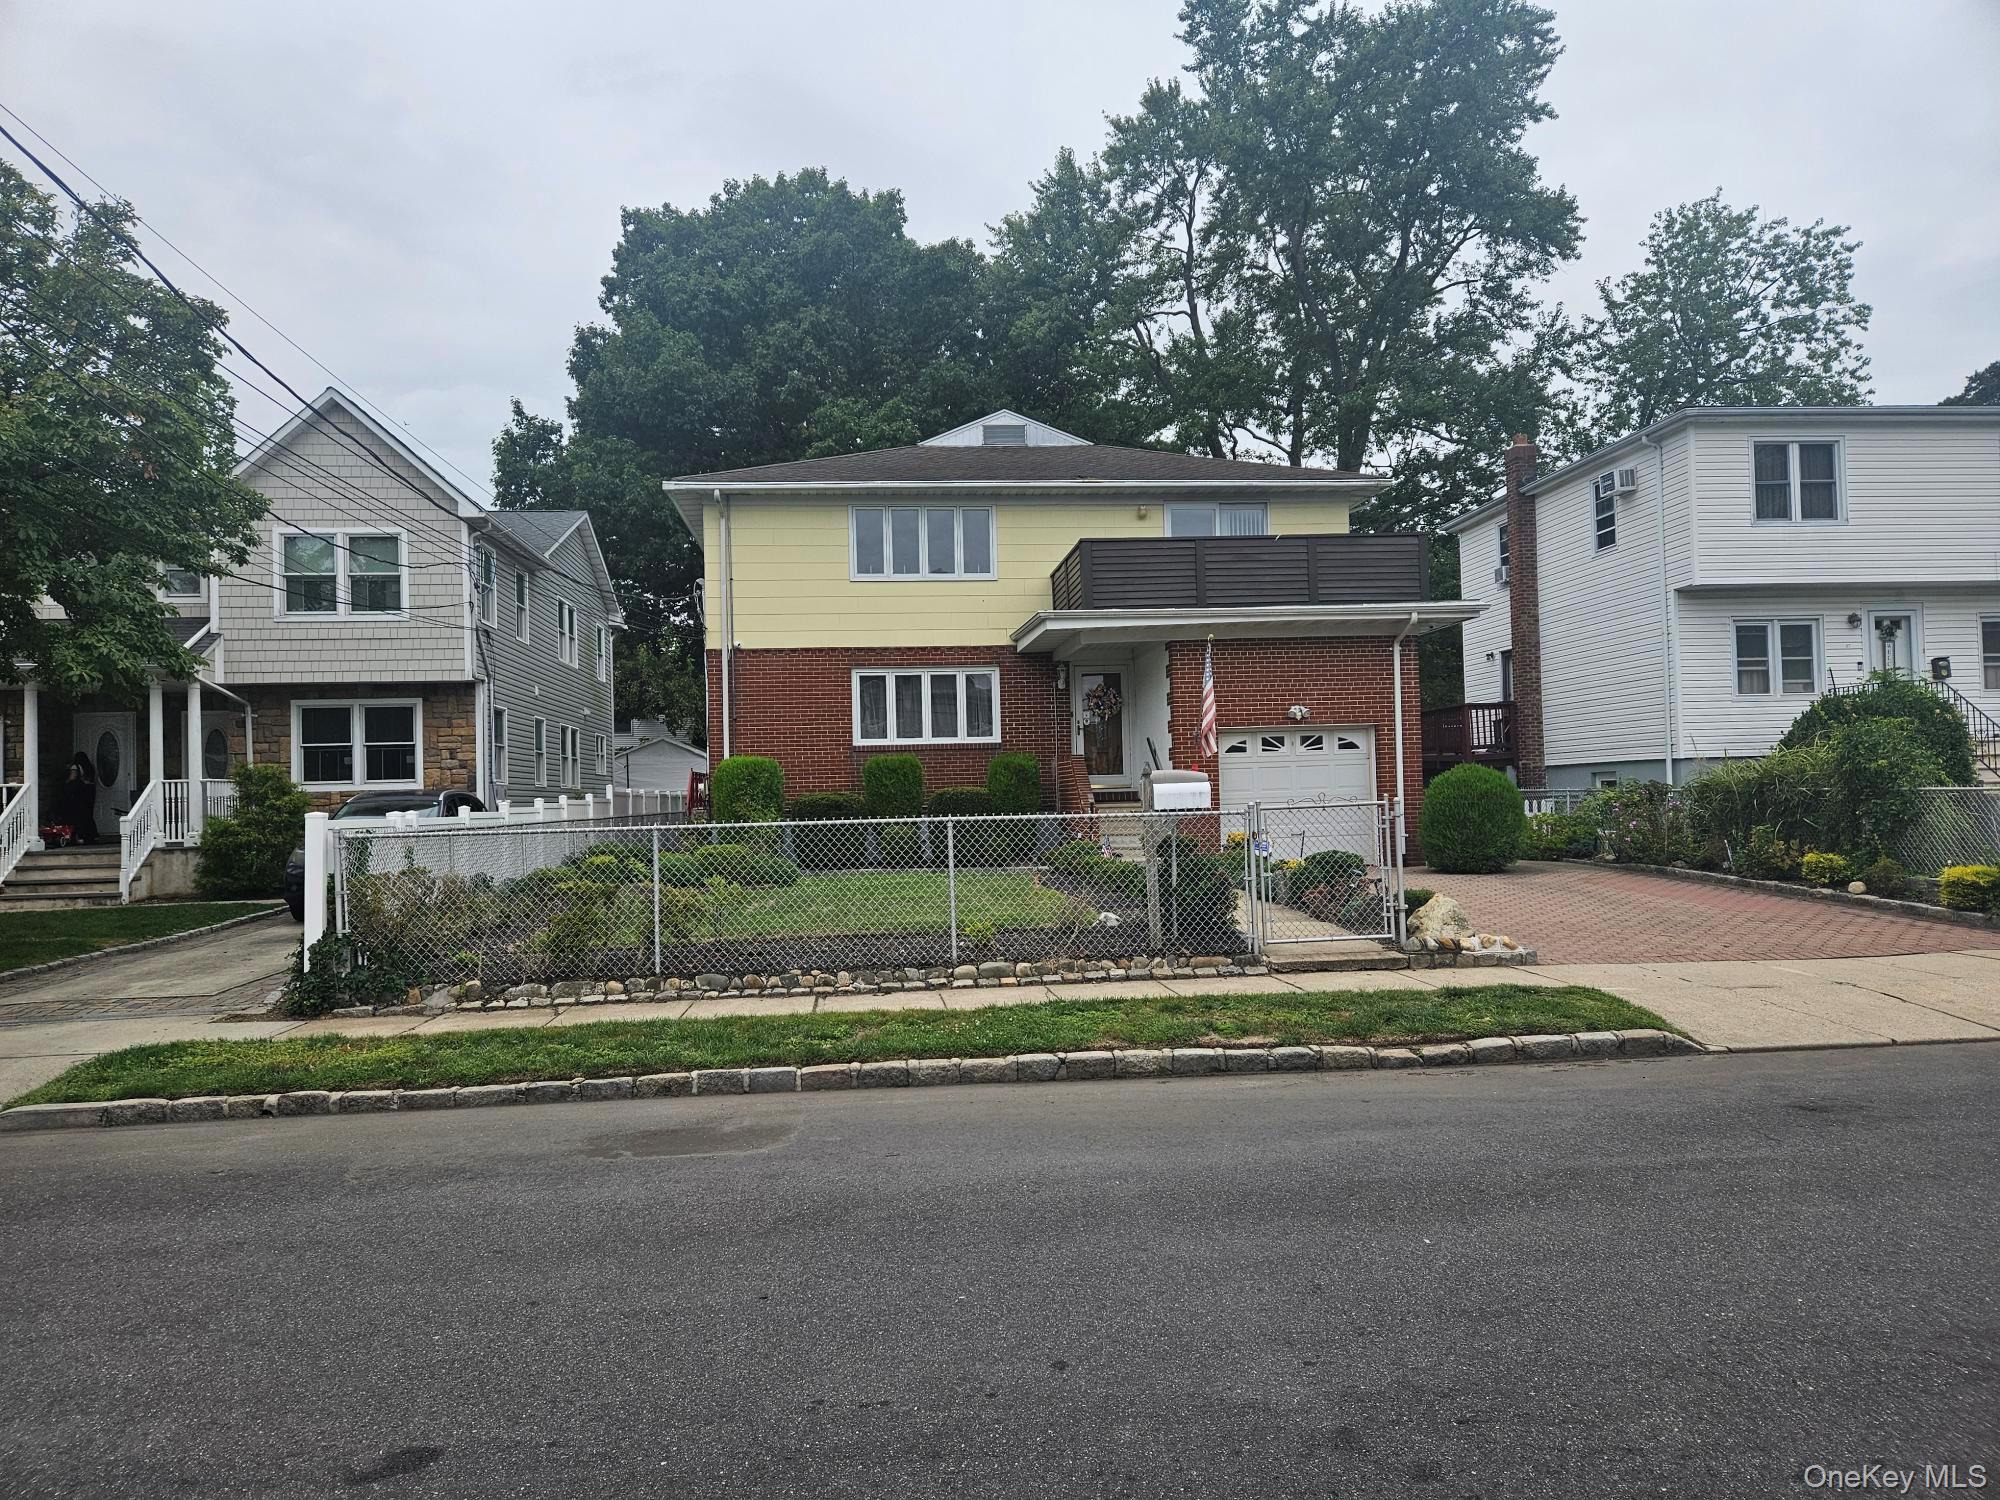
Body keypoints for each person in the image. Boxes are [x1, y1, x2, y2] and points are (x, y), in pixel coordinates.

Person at [58, 751, 99, 845]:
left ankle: (78, 836)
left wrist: (65, 782)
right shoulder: (90, 767)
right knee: (88, 814)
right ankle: (92, 835)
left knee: (78, 815)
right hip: (90, 792)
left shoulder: (75, 767)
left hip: (79, 793)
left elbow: (72, 778)